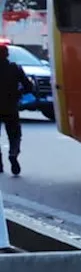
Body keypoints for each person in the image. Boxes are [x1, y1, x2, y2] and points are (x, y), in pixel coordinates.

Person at [0, 43, 34, 177]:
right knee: (14, 134)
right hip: (10, 106)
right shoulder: (14, 68)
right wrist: (18, 92)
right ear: (7, 55)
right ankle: (13, 153)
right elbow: (28, 86)